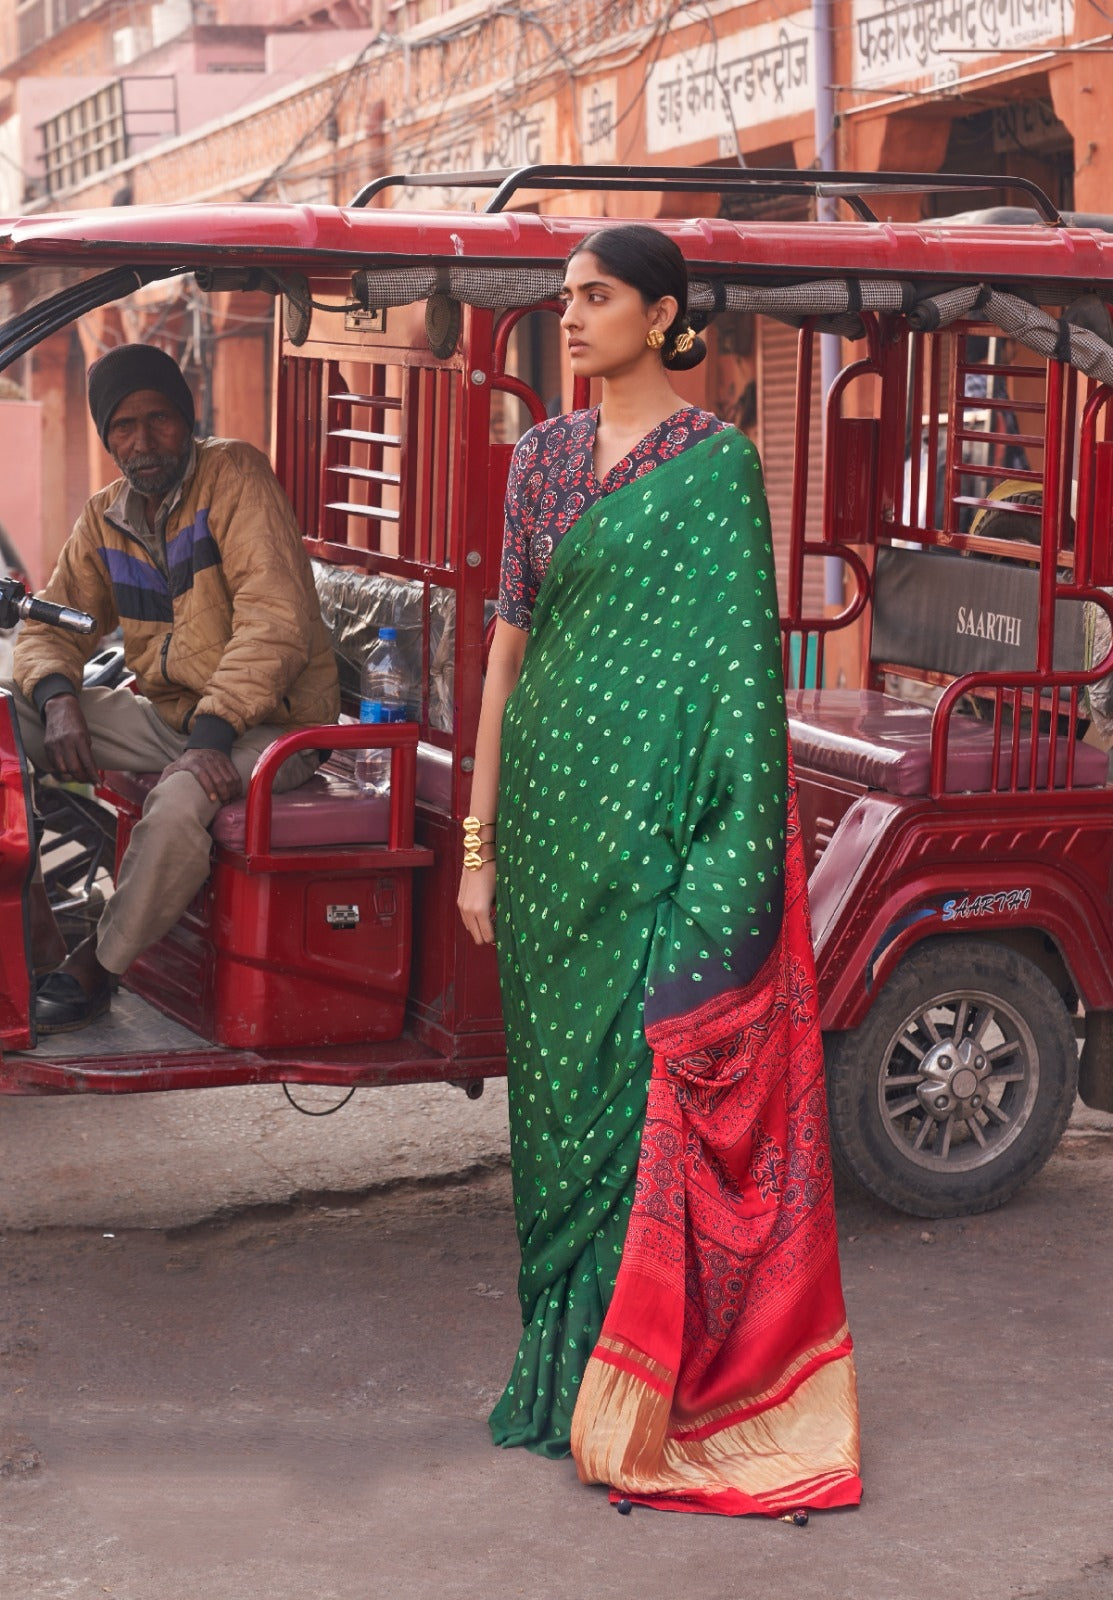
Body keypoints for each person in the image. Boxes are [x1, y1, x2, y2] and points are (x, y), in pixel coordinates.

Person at [457, 225, 862, 1516]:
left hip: (657, 841)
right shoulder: (540, 459)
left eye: (597, 296)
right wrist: (477, 846)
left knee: (641, 1100)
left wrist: (724, 860)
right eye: (565, 296)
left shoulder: (718, 466)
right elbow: (506, 659)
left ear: (663, 312)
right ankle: (561, 1370)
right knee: (554, 1117)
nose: (570, 317)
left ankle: (643, 1386)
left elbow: (740, 682)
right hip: (545, 842)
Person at [7, 343, 339, 1032]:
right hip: (174, 718)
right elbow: (51, 623)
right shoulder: (106, 515)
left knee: (180, 797)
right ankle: (30, 914)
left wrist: (211, 739)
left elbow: (274, 624)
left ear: (187, 419)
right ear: (108, 439)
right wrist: (58, 700)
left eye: (158, 419)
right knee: (10, 717)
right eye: (124, 427)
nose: (143, 441)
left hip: (273, 726)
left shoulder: (235, 475)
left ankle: (100, 964)